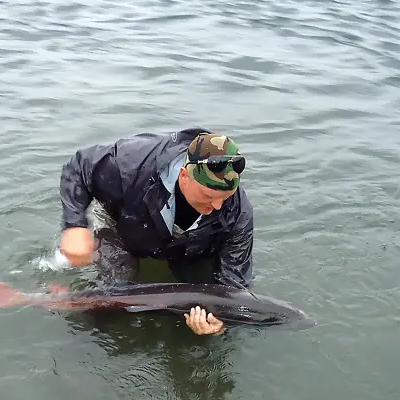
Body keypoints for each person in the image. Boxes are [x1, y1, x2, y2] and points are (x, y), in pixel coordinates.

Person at [57, 128, 253, 336]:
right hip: (124, 222)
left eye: (226, 197)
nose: (217, 206)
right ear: (184, 176)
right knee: (113, 295)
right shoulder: (129, 162)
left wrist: (221, 324)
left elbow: (234, 288)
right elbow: (78, 168)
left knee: (204, 298)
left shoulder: (238, 213)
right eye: (208, 196)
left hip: (191, 244)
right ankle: (61, 302)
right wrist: (75, 226)